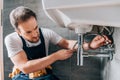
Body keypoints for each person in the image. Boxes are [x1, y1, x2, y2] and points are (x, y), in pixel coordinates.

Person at [4, 6, 111, 80]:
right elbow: (25, 67)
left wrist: (89, 45)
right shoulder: (11, 39)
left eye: (36, 28)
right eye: (28, 32)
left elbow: (66, 43)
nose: (35, 34)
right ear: (18, 32)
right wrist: (55, 56)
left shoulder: (46, 33)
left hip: (45, 75)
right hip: (22, 77)